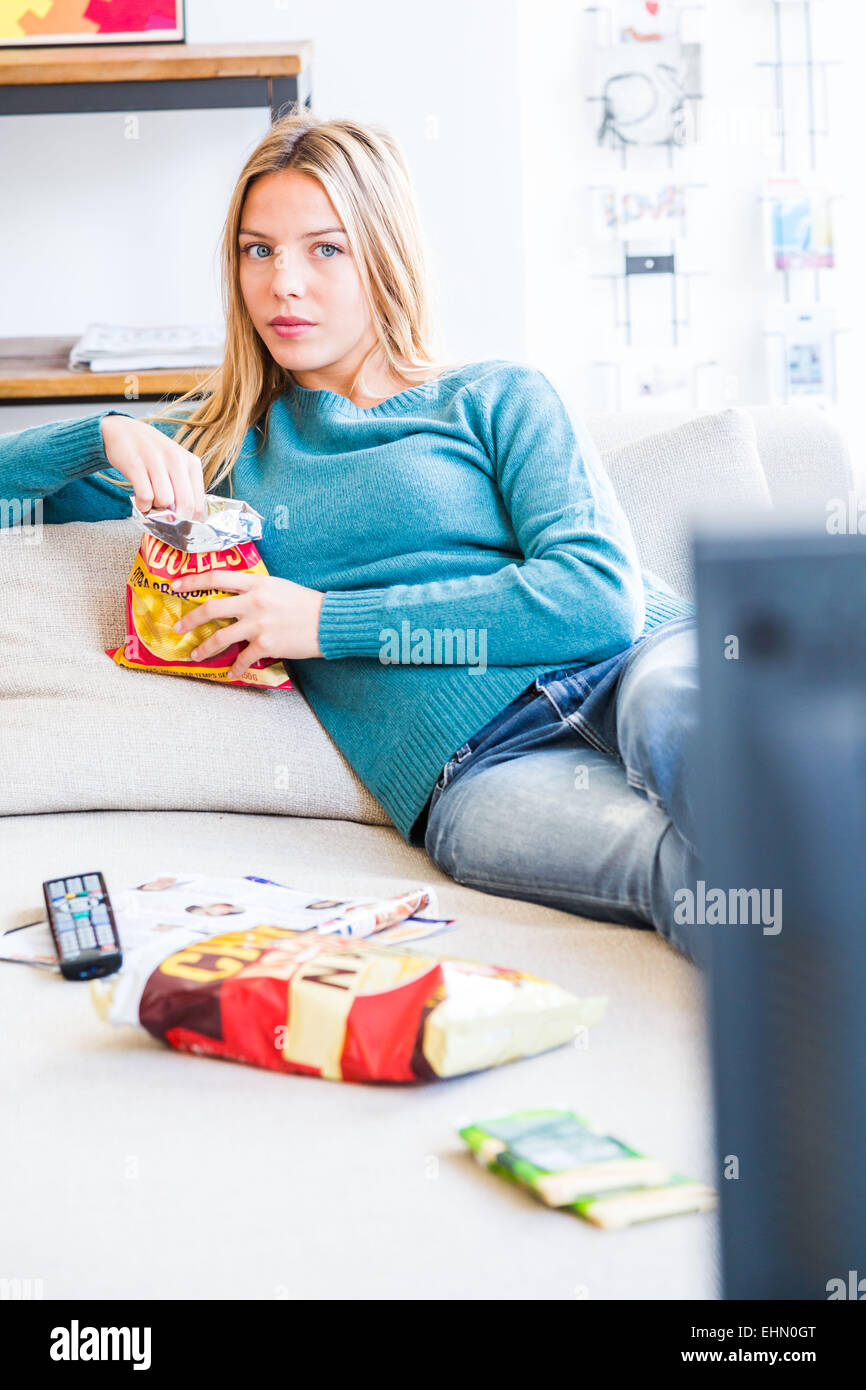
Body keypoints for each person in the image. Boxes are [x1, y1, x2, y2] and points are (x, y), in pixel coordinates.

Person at [0, 107, 705, 966]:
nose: (283, 284)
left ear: (382, 252)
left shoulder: (497, 395)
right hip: (475, 769)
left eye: (324, 248)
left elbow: (596, 601)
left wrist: (326, 623)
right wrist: (97, 434)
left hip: (640, 662)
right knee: (686, 879)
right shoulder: (217, 457)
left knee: (719, 762)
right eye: (258, 250)